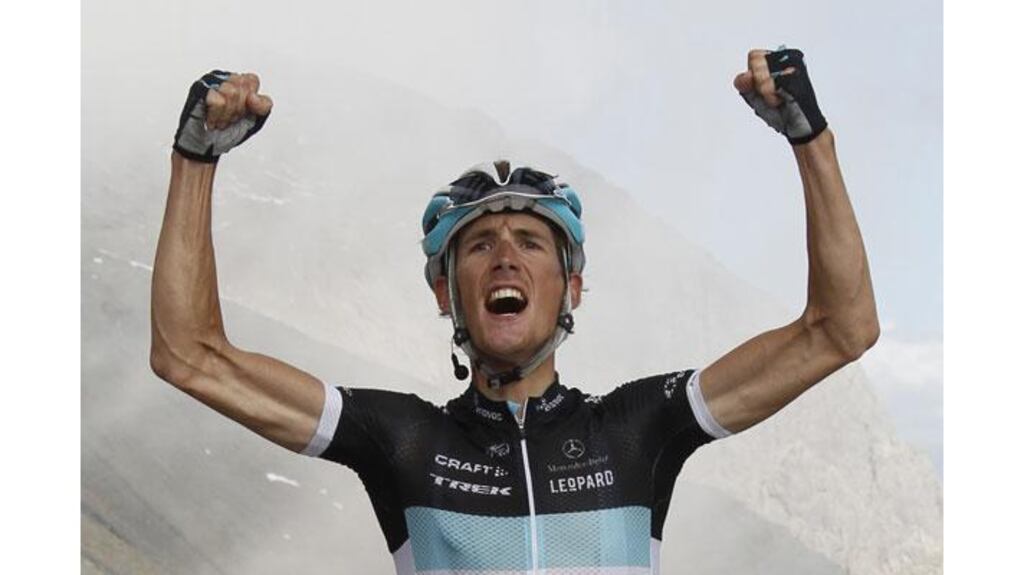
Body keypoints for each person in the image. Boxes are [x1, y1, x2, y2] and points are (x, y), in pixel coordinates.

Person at [151, 48, 879, 574]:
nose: (505, 255)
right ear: (445, 293)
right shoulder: (403, 439)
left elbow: (841, 329)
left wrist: (810, 140)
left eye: (532, 241)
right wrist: (196, 158)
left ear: (574, 287)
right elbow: (189, 353)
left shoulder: (637, 429)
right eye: (478, 247)